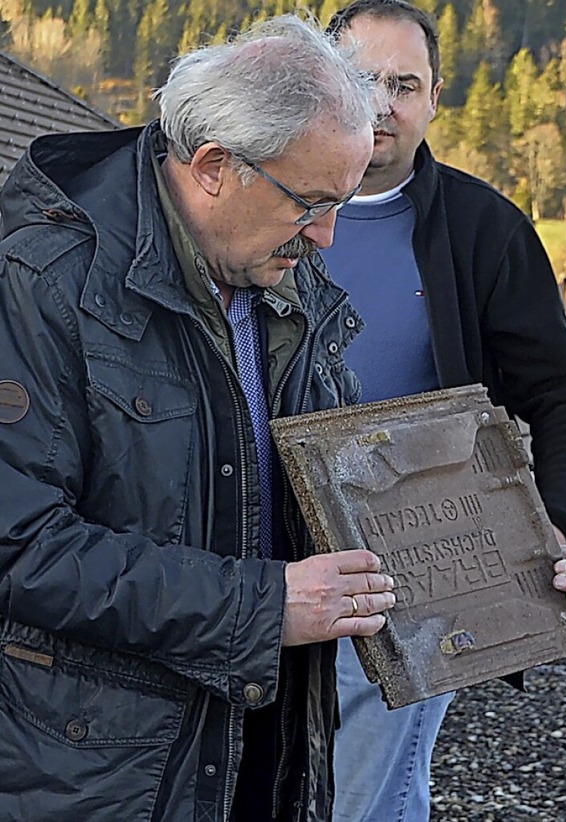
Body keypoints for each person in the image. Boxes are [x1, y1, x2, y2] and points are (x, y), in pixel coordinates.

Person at [0, 15, 400, 821]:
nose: (326, 236)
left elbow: (333, 497)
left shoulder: (285, 270)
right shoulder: (41, 279)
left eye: (344, 204)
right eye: (311, 202)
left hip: (268, 749)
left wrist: (517, 569)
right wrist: (259, 607)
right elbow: (20, 546)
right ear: (215, 166)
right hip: (95, 776)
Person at [322, 2, 566, 821]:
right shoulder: (251, 208)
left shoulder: (481, 229)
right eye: (359, 80)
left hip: (406, 586)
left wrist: (555, 523)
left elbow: (565, 392)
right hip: (246, 571)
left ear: (435, 98)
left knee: (363, 805)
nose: (381, 104)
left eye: (403, 84)